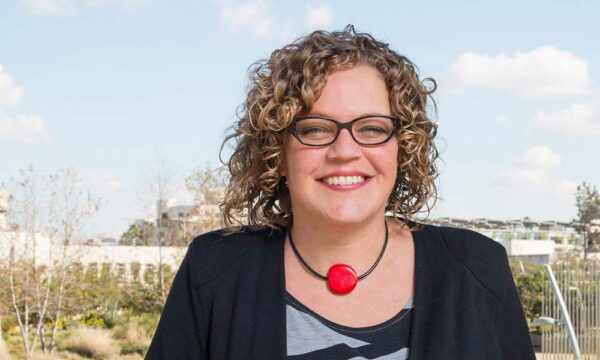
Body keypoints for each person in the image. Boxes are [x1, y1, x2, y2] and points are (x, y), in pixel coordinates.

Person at [146, 25, 535, 359]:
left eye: (371, 128)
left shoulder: (478, 270)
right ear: (276, 151)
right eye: (315, 128)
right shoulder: (213, 271)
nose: (345, 151)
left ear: (404, 146)